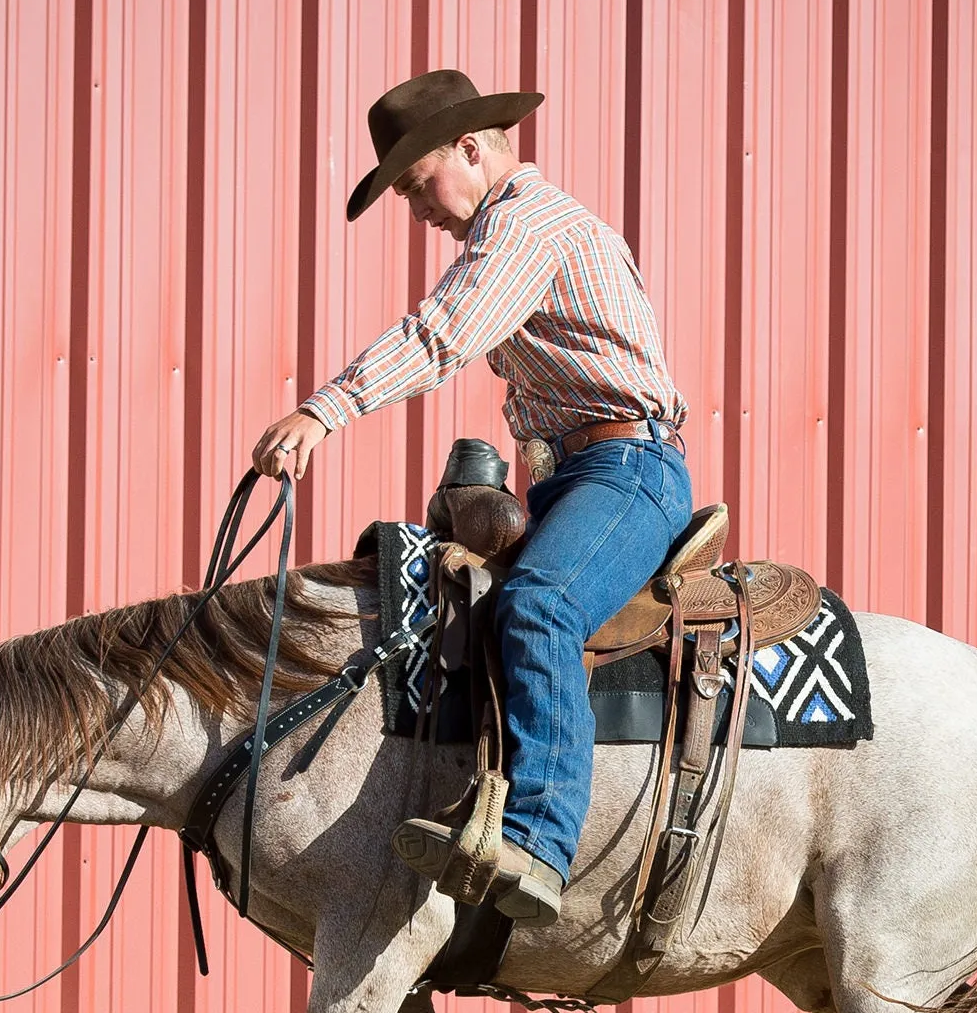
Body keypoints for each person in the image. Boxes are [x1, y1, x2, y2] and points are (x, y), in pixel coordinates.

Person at [252, 69, 692, 929]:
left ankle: (539, 840)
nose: (418, 211)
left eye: (419, 186)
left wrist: (324, 409)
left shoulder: (524, 226)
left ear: (473, 147)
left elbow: (443, 333)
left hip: (628, 473)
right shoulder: (518, 231)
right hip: (571, 476)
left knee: (537, 609)